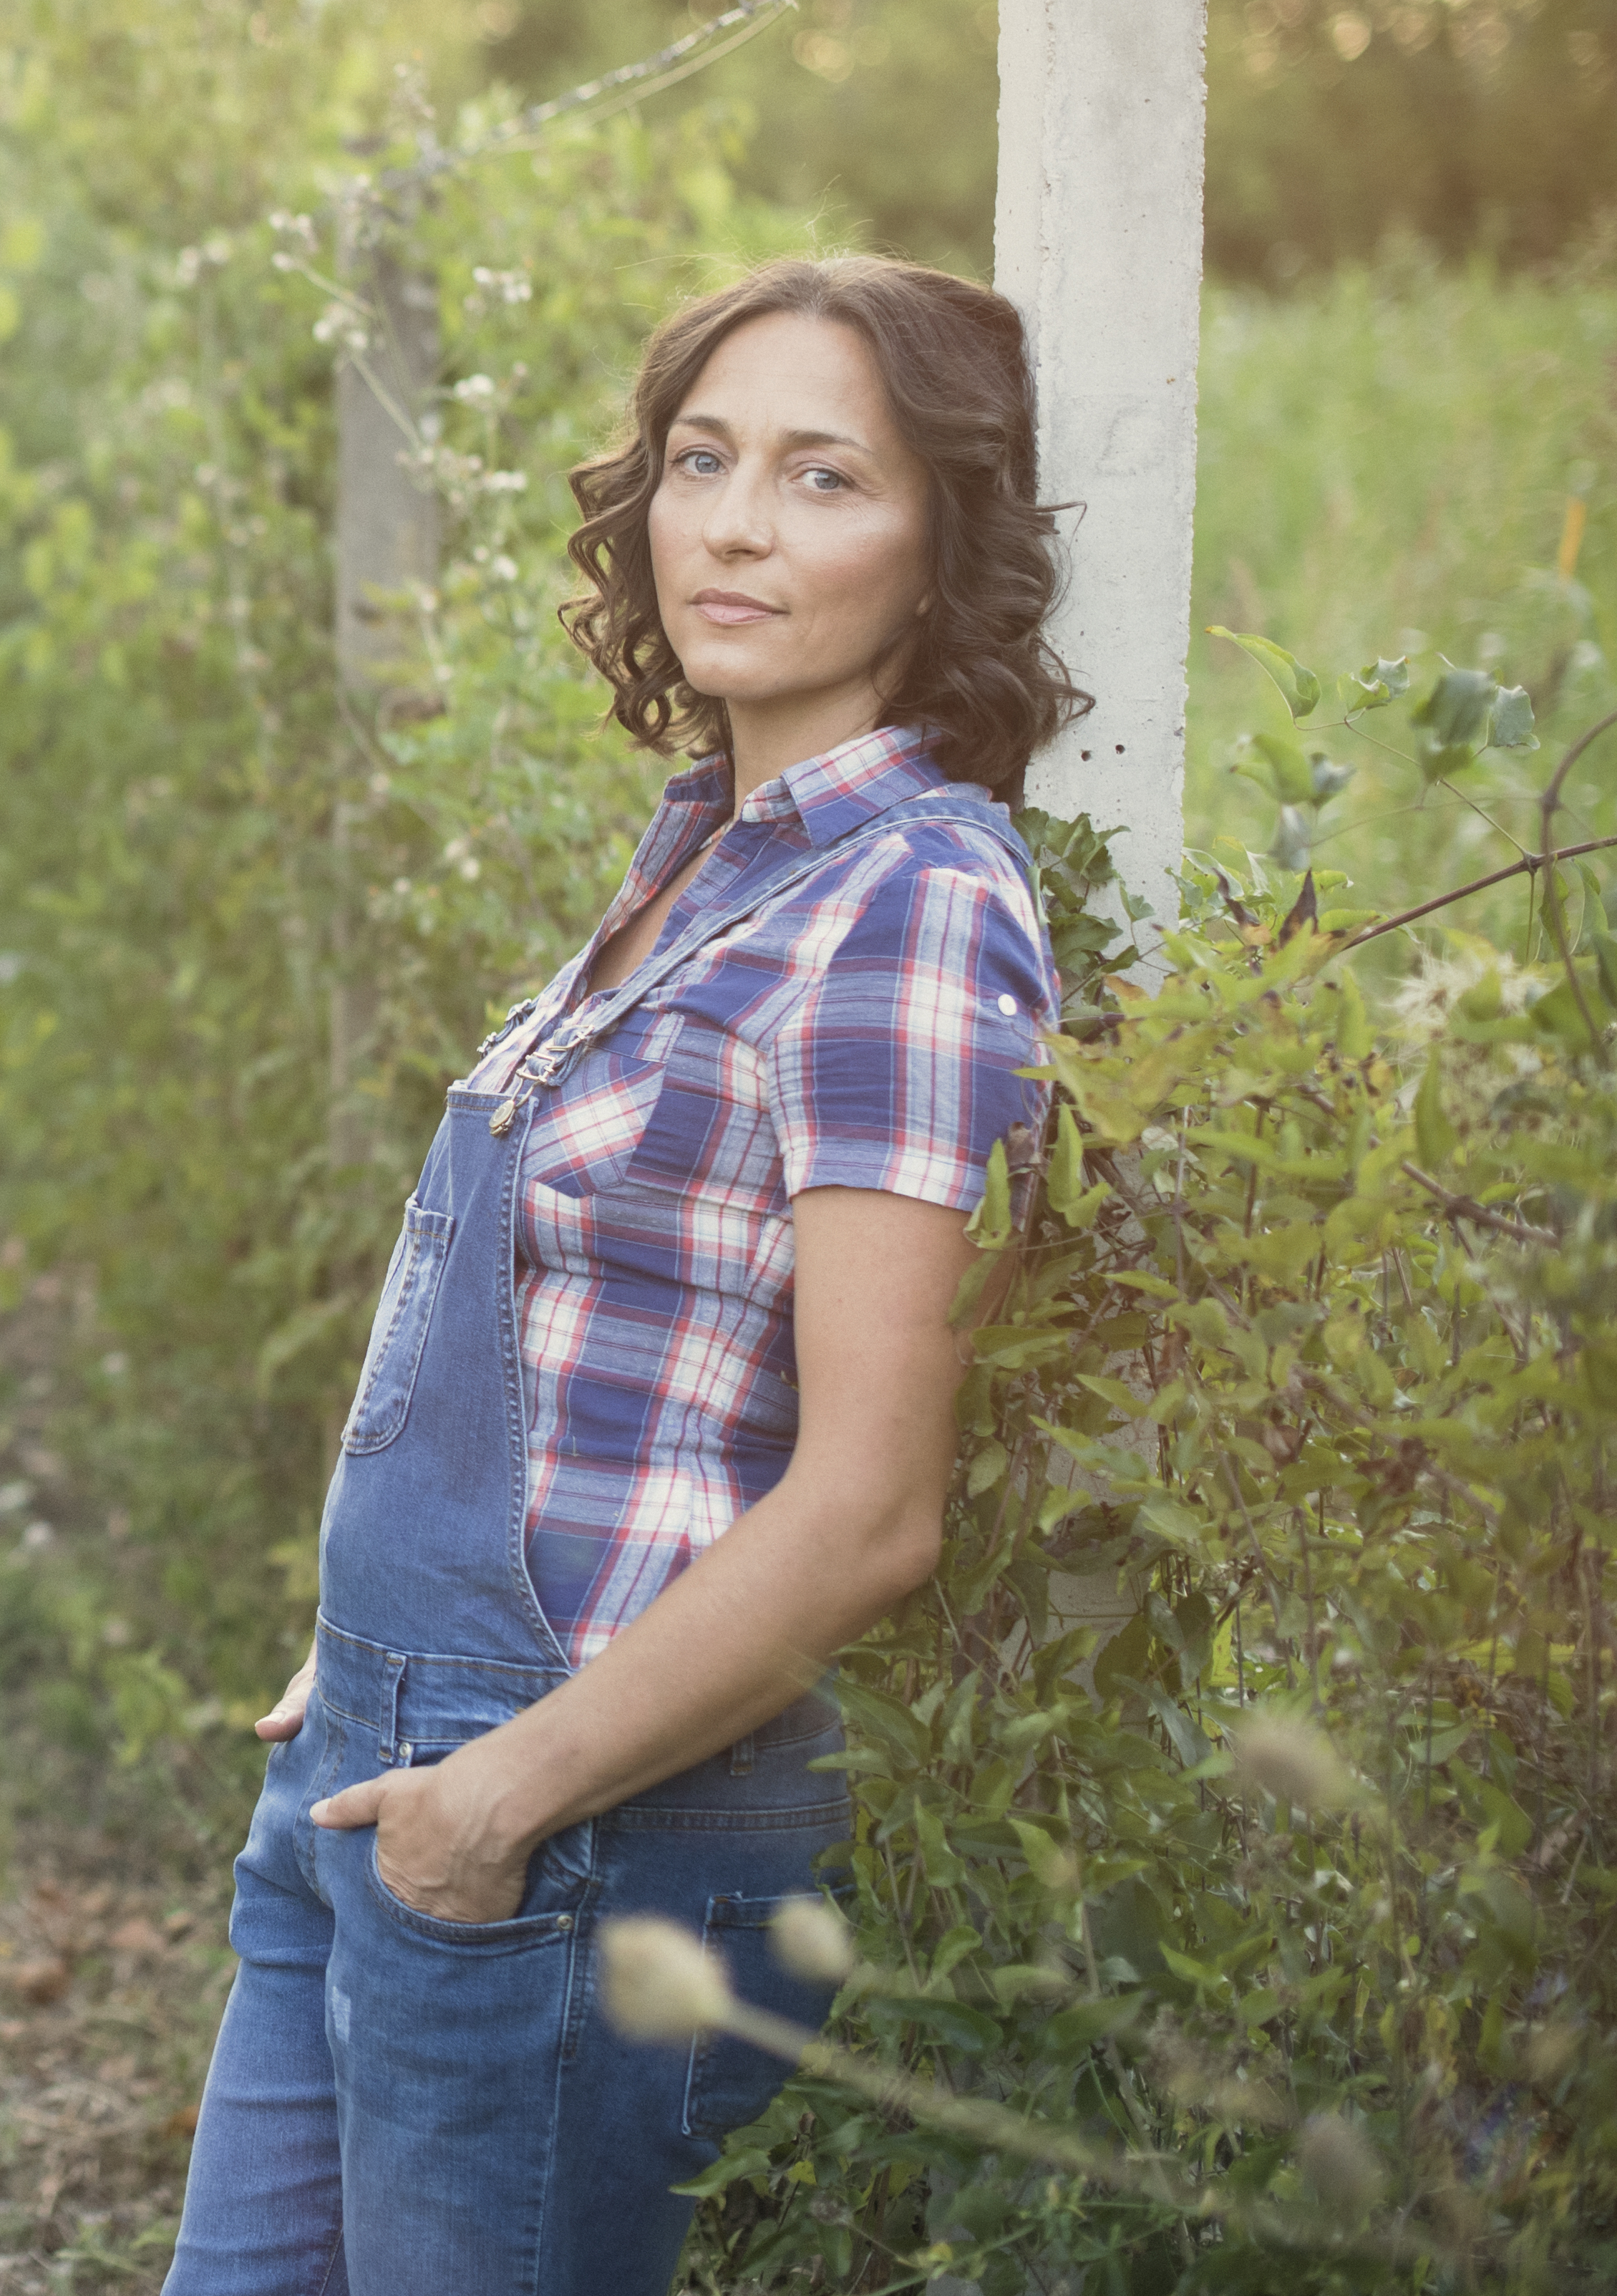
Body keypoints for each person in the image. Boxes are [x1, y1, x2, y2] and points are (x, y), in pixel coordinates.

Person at [161, 256, 1079, 2296]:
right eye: (702, 458)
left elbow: (869, 1506)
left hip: (572, 1818)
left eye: (826, 476)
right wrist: (366, 1635)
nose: (737, 521)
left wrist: (494, 1794)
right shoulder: (706, 851)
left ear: (942, 546)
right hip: (379, 1764)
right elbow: (560, 1315)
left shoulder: (909, 908)